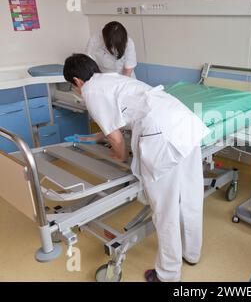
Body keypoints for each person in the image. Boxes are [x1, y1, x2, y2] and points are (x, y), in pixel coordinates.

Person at [63, 53, 210, 282]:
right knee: (190, 196)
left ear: (77, 81)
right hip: (184, 123)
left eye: (73, 87)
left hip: (161, 135)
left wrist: (120, 157)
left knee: (165, 209)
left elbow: (117, 139)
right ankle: (191, 253)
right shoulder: (111, 79)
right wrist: (93, 138)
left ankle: (168, 275)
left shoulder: (91, 91)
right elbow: (115, 122)